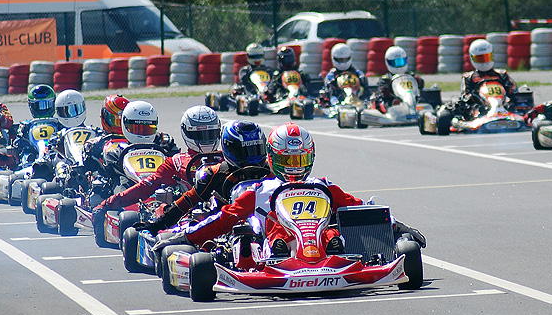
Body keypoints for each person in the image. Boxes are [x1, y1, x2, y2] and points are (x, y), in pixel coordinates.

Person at [156, 122, 425, 259]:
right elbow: (225, 218)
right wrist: (187, 238)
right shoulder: (261, 190)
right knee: (273, 228)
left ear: (310, 158)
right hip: (271, 253)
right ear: (272, 158)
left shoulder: (323, 186)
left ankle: (331, 246)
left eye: (299, 160)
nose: (294, 167)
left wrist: (398, 227)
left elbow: (360, 208)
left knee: (332, 227)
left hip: (322, 247)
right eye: (288, 160)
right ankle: (281, 249)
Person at [135, 119, 272, 234]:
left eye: (255, 149)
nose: (251, 157)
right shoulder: (216, 173)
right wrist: (159, 224)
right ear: (229, 148)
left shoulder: (270, 170)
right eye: (244, 151)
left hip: (268, 219)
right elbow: (188, 200)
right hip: (225, 225)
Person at [94, 105, 221, 215]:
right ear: (186, 132)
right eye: (199, 135)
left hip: (225, 209)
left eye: (211, 134)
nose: (206, 140)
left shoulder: (227, 159)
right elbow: (144, 187)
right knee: (161, 209)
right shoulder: (176, 163)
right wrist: (109, 203)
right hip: (189, 212)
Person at [446, 39, 519, 120]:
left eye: (486, 57)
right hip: (480, 106)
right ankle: (479, 114)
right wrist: (473, 97)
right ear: (472, 58)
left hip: (503, 104)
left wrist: (509, 92)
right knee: (469, 106)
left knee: (518, 101)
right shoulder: (469, 77)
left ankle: (508, 110)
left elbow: (514, 90)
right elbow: (465, 95)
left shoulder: (501, 74)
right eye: (480, 59)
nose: (484, 62)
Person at [369, 46, 426, 113]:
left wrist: (418, 81)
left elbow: (421, 85)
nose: (399, 66)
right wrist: (387, 92)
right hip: (394, 101)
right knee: (386, 102)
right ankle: (390, 112)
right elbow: (382, 91)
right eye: (395, 63)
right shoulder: (386, 78)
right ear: (388, 62)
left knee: (423, 98)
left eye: (401, 62)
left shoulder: (410, 75)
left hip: (411, 98)